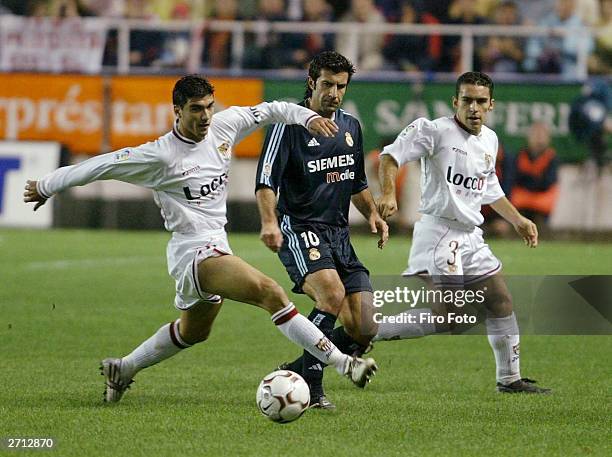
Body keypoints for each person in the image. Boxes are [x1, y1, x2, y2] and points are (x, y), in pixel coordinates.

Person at [23, 74, 378, 404]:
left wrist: (305, 118)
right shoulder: (160, 156)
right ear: (177, 111)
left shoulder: (225, 126)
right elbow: (100, 166)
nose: (206, 115)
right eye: (196, 109)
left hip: (217, 245)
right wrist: (45, 186)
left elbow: (273, 109)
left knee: (194, 332)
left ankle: (125, 367)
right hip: (192, 250)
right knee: (270, 292)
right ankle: (344, 364)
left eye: (209, 106)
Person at [377, 71, 551, 394]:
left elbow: (489, 188)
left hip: (471, 236)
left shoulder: (490, 140)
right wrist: (388, 193)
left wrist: (518, 220)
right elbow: (390, 155)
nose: (474, 107)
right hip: (440, 233)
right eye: (467, 100)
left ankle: (509, 380)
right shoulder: (434, 131)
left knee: (501, 301)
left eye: (480, 101)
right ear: (455, 102)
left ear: (491, 105)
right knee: (450, 319)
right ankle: (368, 331)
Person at [255, 51, 388, 408]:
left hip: (339, 234)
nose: (334, 93)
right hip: (299, 228)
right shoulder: (287, 125)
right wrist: (269, 221)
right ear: (311, 82)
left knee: (365, 326)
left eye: (341, 86)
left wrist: (372, 214)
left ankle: (298, 368)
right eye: (327, 84)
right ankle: (312, 389)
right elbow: (266, 181)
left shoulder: (350, 126)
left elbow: (355, 181)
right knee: (331, 295)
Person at [510, 122, 559, 228]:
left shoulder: (551, 158)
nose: (538, 139)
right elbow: (514, 178)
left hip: (541, 204)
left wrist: (528, 179)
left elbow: (547, 182)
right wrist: (535, 178)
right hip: (521, 203)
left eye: (542, 135)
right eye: (535, 135)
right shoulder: (520, 155)